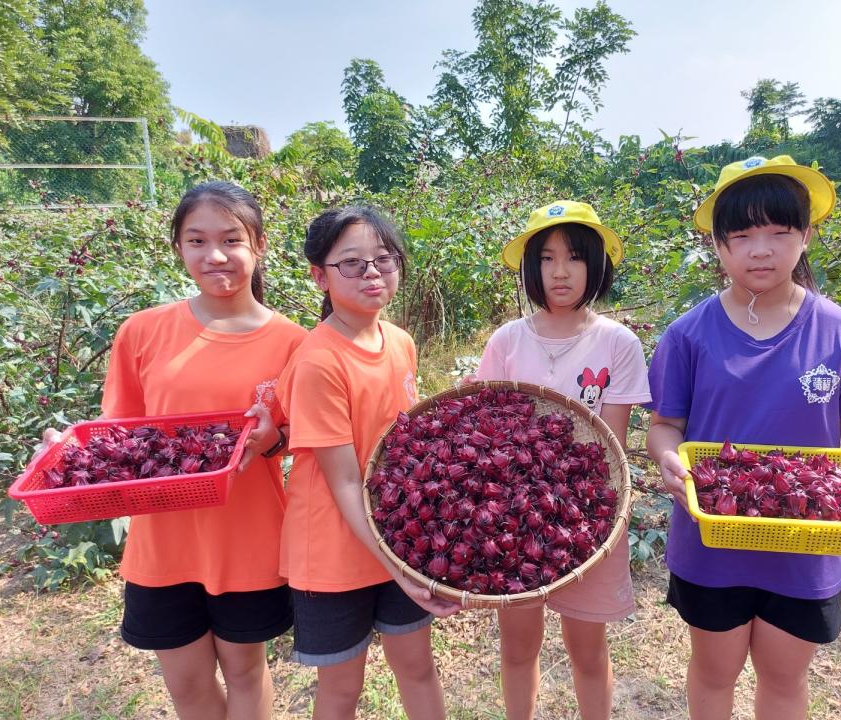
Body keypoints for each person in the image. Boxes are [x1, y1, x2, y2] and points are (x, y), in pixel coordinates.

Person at [645, 155, 841, 720]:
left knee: (785, 677)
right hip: (713, 541)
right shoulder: (687, 335)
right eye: (741, 236)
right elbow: (666, 426)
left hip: (807, 543)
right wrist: (669, 460)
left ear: (807, 236)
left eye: (778, 232)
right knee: (714, 673)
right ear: (718, 247)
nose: (760, 250)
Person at [36, 181, 308, 719]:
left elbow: (299, 437)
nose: (215, 255)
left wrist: (271, 440)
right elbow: (119, 435)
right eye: (197, 240)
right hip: (164, 543)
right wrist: (69, 457)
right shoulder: (142, 332)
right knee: (185, 684)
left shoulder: (295, 343)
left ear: (259, 244)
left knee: (246, 673)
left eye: (231, 239)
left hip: (246, 537)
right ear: (178, 248)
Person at [276, 206, 457, 720]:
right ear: (319, 276)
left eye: (384, 259)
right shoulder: (319, 361)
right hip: (333, 551)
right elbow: (345, 481)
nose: (372, 273)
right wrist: (399, 570)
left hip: (398, 534)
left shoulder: (399, 343)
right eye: (351, 264)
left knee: (418, 667)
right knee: (341, 689)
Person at [474, 200, 652, 720]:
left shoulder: (617, 343)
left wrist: (575, 508)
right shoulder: (507, 340)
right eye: (547, 258)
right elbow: (484, 428)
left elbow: (607, 447)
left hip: (584, 515)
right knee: (517, 646)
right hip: (512, 513)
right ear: (531, 268)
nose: (560, 271)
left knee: (587, 649)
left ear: (595, 264)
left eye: (574, 257)